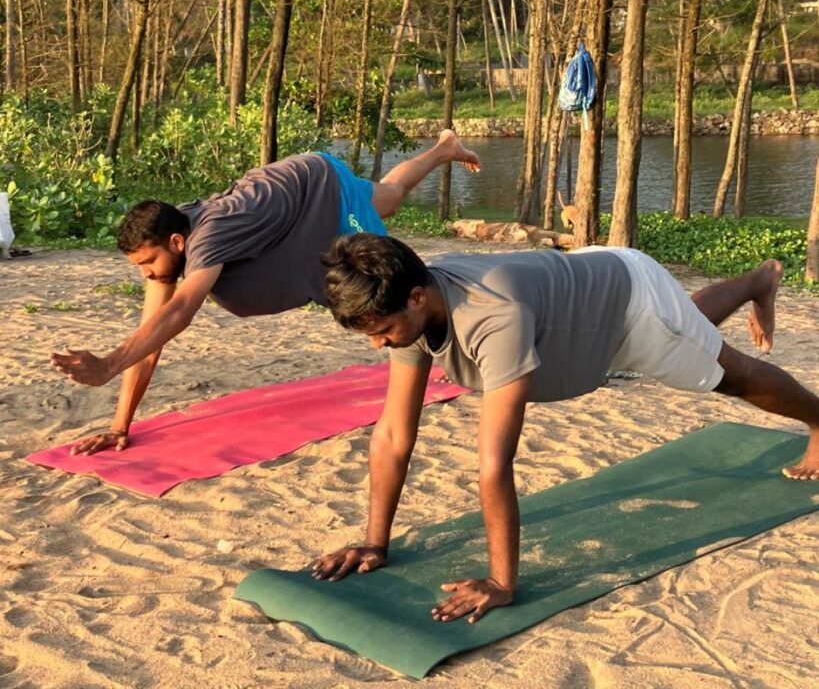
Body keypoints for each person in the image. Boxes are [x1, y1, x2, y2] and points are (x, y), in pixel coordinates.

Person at [311, 234, 819, 625]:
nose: (379, 345)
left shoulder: (493, 317)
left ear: (418, 298)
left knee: (728, 374)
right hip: (585, 299)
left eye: (382, 332)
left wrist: (500, 581)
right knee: (689, 331)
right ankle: (757, 281)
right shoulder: (406, 302)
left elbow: (494, 463)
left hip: (628, 306)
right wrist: (375, 543)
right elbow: (395, 434)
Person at [49, 133, 480, 456]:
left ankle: (441, 345)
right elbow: (150, 337)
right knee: (386, 197)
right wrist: (121, 424)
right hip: (291, 190)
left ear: (178, 243)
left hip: (319, 188)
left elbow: (180, 313)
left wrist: (106, 364)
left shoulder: (210, 235)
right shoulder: (171, 247)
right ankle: (444, 148)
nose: (147, 274)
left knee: (384, 286)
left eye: (148, 263)